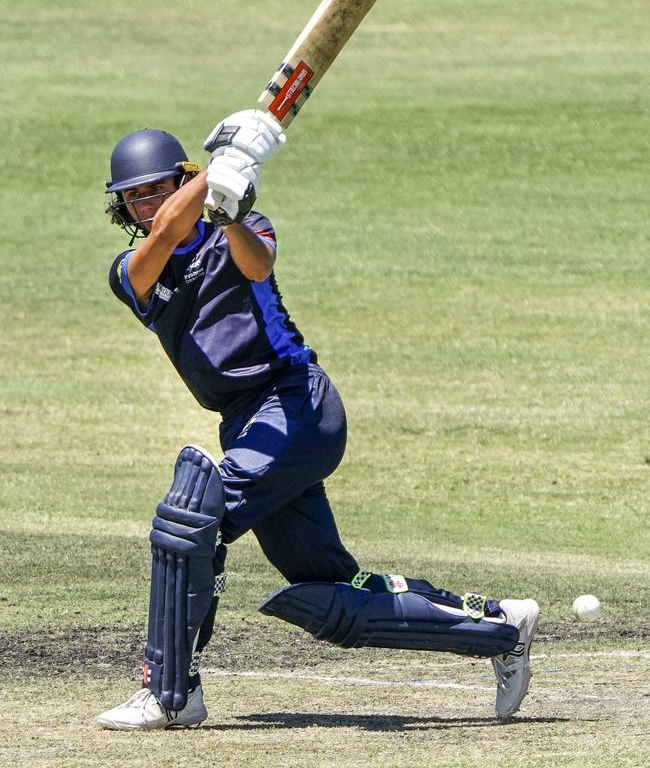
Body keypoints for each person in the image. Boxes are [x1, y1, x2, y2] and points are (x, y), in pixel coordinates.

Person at [96, 111, 539, 731]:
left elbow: (256, 265)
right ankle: (500, 627)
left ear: (180, 180)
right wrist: (221, 159)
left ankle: (169, 689)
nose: (147, 203)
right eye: (133, 196)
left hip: (297, 405)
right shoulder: (131, 271)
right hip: (246, 423)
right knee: (330, 590)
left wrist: (226, 203)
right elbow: (167, 236)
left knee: (192, 520)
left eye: (157, 188)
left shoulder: (241, 228)